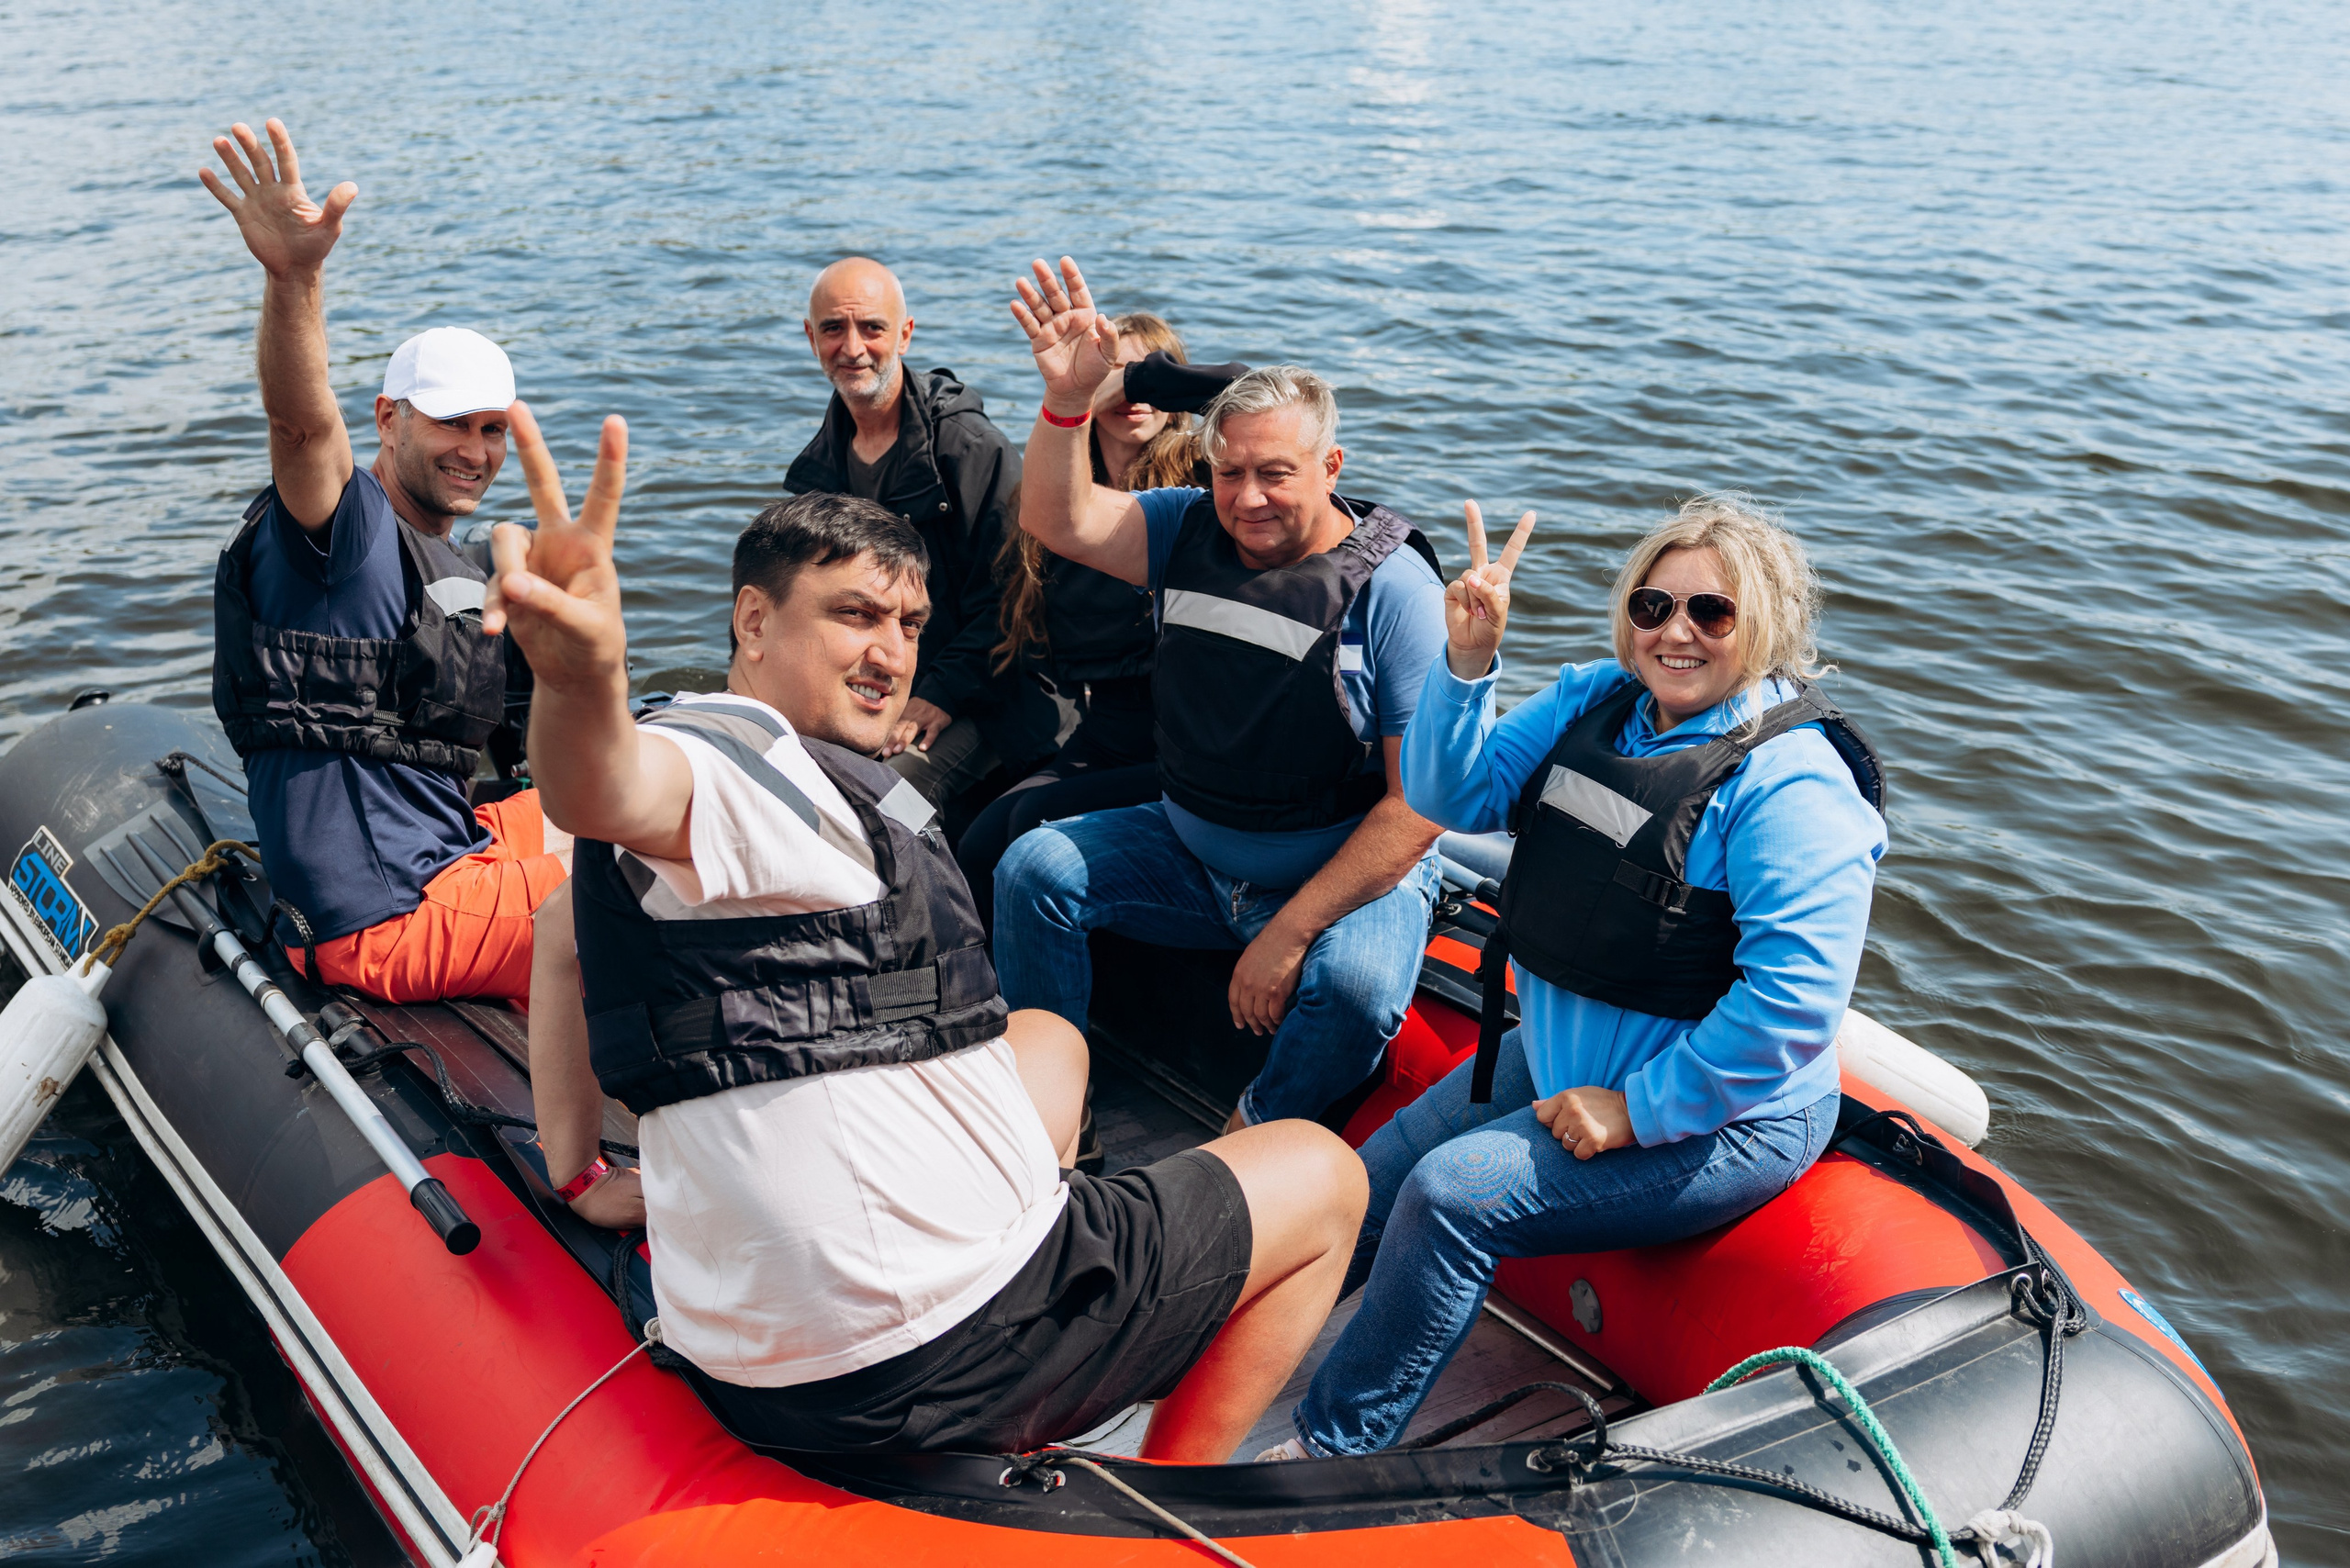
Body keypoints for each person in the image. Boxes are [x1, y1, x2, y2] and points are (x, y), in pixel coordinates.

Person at [487, 417, 1368, 1462]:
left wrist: (579, 1171)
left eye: (907, 622)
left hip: (752, 1338)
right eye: (853, 615)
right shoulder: (736, 773)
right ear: (752, 621)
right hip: (928, 1352)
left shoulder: (730, 758)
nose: (889, 652)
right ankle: (1182, 1492)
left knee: (1052, 1040)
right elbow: (605, 785)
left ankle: (1025, 1218)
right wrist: (579, 680)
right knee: (1323, 1173)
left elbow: (559, 934)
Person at [1270, 494, 1888, 1458]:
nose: (1673, 632)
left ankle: (1328, 1445)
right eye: (1652, 606)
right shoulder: (1595, 701)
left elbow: (1793, 1005)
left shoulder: (1792, 786)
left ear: (1762, 623)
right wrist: (1467, 662)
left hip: (1725, 1112)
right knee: (1366, 1175)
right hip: (1561, 1049)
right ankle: (1232, 1343)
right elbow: (1446, 793)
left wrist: (1636, 1110)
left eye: (1709, 613)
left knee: (1449, 1193)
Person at [994, 257, 1449, 1132]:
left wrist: (1288, 936)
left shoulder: (1397, 594)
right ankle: (1049, 1117)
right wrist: (1065, 403)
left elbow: (1418, 807)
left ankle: (1253, 1127)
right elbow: (1058, 519)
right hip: (1193, 851)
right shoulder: (1183, 525)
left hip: (1339, 871)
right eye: (1228, 473)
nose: (1247, 499)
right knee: (1032, 871)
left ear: (1331, 465)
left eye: (1275, 473)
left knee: (1352, 989)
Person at [198, 118, 566, 1004]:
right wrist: (296, 279)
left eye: (491, 431)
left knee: (670, 805)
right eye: (450, 423)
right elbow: (301, 424)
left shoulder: (453, 560)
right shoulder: (342, 531)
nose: (475, 451)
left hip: (448, 849)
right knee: (669, 898)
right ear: (389, 418)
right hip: (390, 916)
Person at [955, 313, 1246, 930]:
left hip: (1186, 739)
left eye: (1153, 380)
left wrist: (1127, 380)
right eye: (1117, 374)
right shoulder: (1054, 496)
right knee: (980, 841)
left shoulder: (1205, 485)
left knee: (1024, 826)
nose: (1134, 397)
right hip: (1106, 732)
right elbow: (1009, 630)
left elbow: (1256, 388)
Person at [783, 257, 1057, 823]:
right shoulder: (815, 472)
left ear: (905, 334)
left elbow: (1022, 598)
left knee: (884, 805)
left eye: (872, 328)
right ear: (812, 339)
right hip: (878, 684)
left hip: (991, 694)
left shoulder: (971, 450)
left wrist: (942, 693)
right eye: (833, 328)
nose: (852, 347)